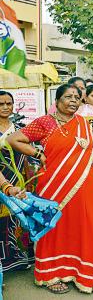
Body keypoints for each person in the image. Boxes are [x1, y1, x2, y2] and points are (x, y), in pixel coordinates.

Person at [7, 84, 93, 293]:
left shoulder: (84, 123)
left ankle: (79, 273)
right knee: (52, 226)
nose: (74, 101)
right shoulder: (45, 123)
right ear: (56, 101)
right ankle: (49, 274)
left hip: (83, 185)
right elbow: (14, 139)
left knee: (83, 226)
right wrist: (38, 154)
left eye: (77, 97)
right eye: (68, 97)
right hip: (54, 185)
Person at [0, 91, 37, 272]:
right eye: (1, 104)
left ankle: (22, 259)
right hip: (2, 179)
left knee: (18, 219)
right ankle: (3, 263)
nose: (6, 107)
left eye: (9, 103)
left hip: (20, 179)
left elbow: (29, 152)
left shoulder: (20, 127)